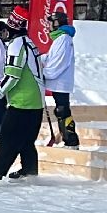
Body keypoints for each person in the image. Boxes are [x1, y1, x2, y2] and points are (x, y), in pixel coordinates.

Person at [0, 7, 44, 182]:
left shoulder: (17, 45)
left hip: (22, 101)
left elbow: (13, 74)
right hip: (35, 100)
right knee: (26, 139)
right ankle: (29, 171)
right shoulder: (29, 42)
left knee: (8, 136)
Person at [41, 9, 79, 148]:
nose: (48, 26)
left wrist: (44, 74)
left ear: (56, 23)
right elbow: (51, 58)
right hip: (58, 81)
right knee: (60, 110)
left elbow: (59, 63)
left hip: (60, 81)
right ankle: (68, 139)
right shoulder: (60, 38)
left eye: (50, 23)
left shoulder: (63, 39)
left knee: (62, 110)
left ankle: (71, 140)